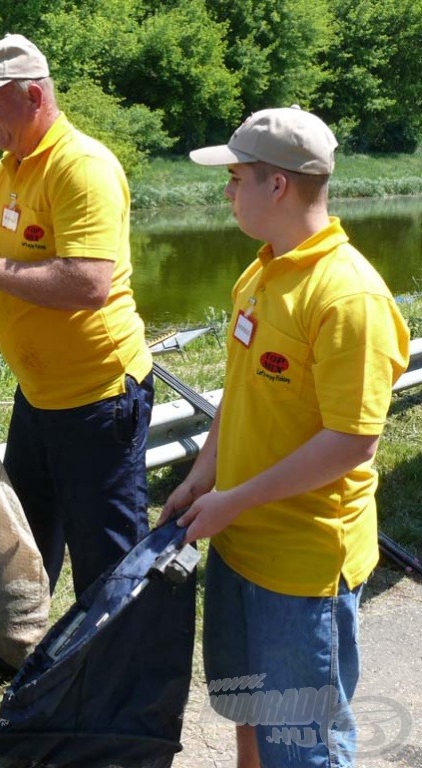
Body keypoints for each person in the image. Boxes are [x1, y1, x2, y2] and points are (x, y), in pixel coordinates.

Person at [159, 106, 410, 768]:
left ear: (277, 186)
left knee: (302, 746)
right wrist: (202, 477)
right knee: (248, 715)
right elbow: (239, 397)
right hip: (238, 545)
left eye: (235, 177)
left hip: (300, 568)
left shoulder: (346, 295)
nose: (226, 191)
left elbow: (350, 442)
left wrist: (232, 501)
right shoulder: (262, 270)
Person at [0, 34, 154, 678]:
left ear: (34, 95)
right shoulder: (7, 168)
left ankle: (112, 684)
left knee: (104, 553)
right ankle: (10, 652)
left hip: (100, 396)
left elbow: (89, 284)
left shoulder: (82, 166)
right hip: (39, 394)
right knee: (20, 542)